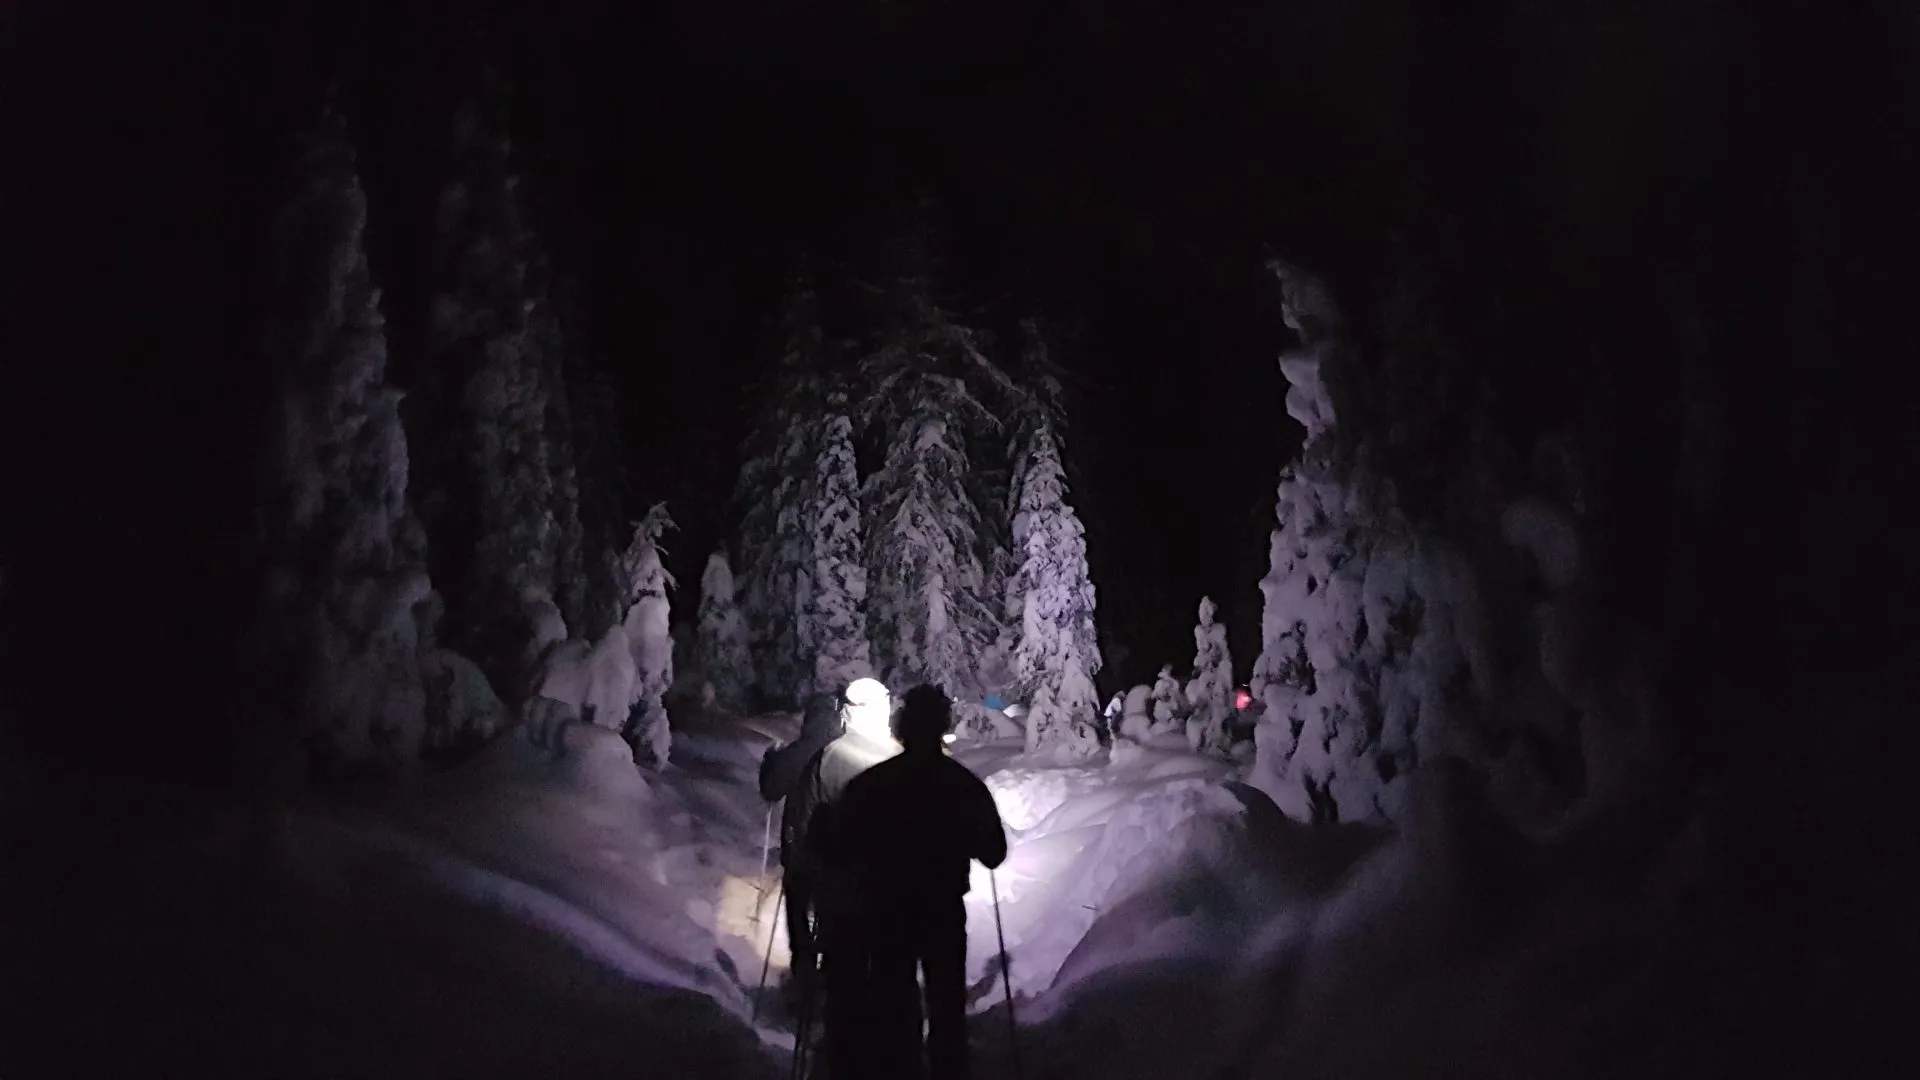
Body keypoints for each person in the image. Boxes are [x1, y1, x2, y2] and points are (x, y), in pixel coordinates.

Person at [821, 684, 1009, 1080]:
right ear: (942, 726)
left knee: (893, 1003)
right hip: (942, 909)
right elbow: (994, 852)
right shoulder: (963, 785)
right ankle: (948, 1071)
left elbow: (839, 849)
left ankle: (898, 1069)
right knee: (946, 1004)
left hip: (886, 909)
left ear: (903, 727)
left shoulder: (871, 785)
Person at [758, 691, 847, 1007]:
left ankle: (803, 974)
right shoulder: (843, 753)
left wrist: (770, 762)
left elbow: (771, 788)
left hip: (799, 849)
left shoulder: (799, 751)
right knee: (831, 914)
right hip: (836, 856)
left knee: (798, 912)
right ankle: (831, 977)